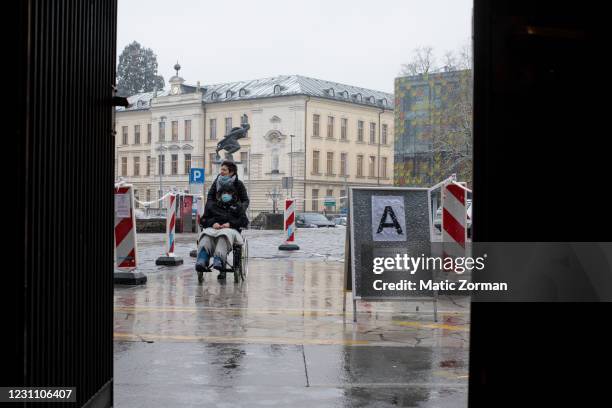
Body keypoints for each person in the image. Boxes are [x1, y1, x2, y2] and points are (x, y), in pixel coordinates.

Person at [196, 184, 249, 280]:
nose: (226, 195)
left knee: (223, 235)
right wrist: (212, 223)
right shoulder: (213, 206)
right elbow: (203, 220)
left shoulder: (238, 207)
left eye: (228, 193)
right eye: (224, 193)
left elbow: (244, 222)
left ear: (233, 195)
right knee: (205, 235)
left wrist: (230, 224)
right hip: (213, 229)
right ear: (219, 195)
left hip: (230, 230)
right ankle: (202, 259)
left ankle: (219, 259)